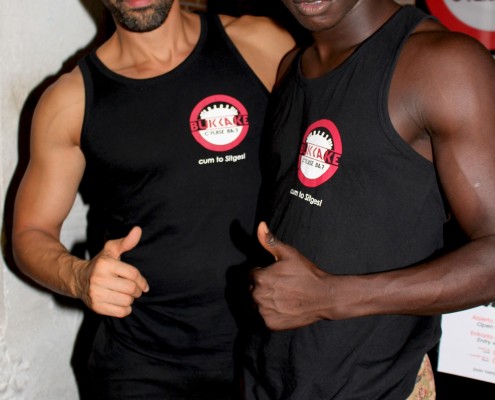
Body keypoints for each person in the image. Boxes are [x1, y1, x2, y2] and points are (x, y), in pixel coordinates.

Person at [11, 1, 294, 399]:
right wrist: (78, 277)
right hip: (143, 366)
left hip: (269, 350)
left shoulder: (262, 44)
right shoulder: (70, 100)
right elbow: (29, 231)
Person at [246, 0, 495, 399]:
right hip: (270, 377)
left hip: (380, 386)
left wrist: (330, 297)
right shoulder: (290, 65)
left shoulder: (442, 63)